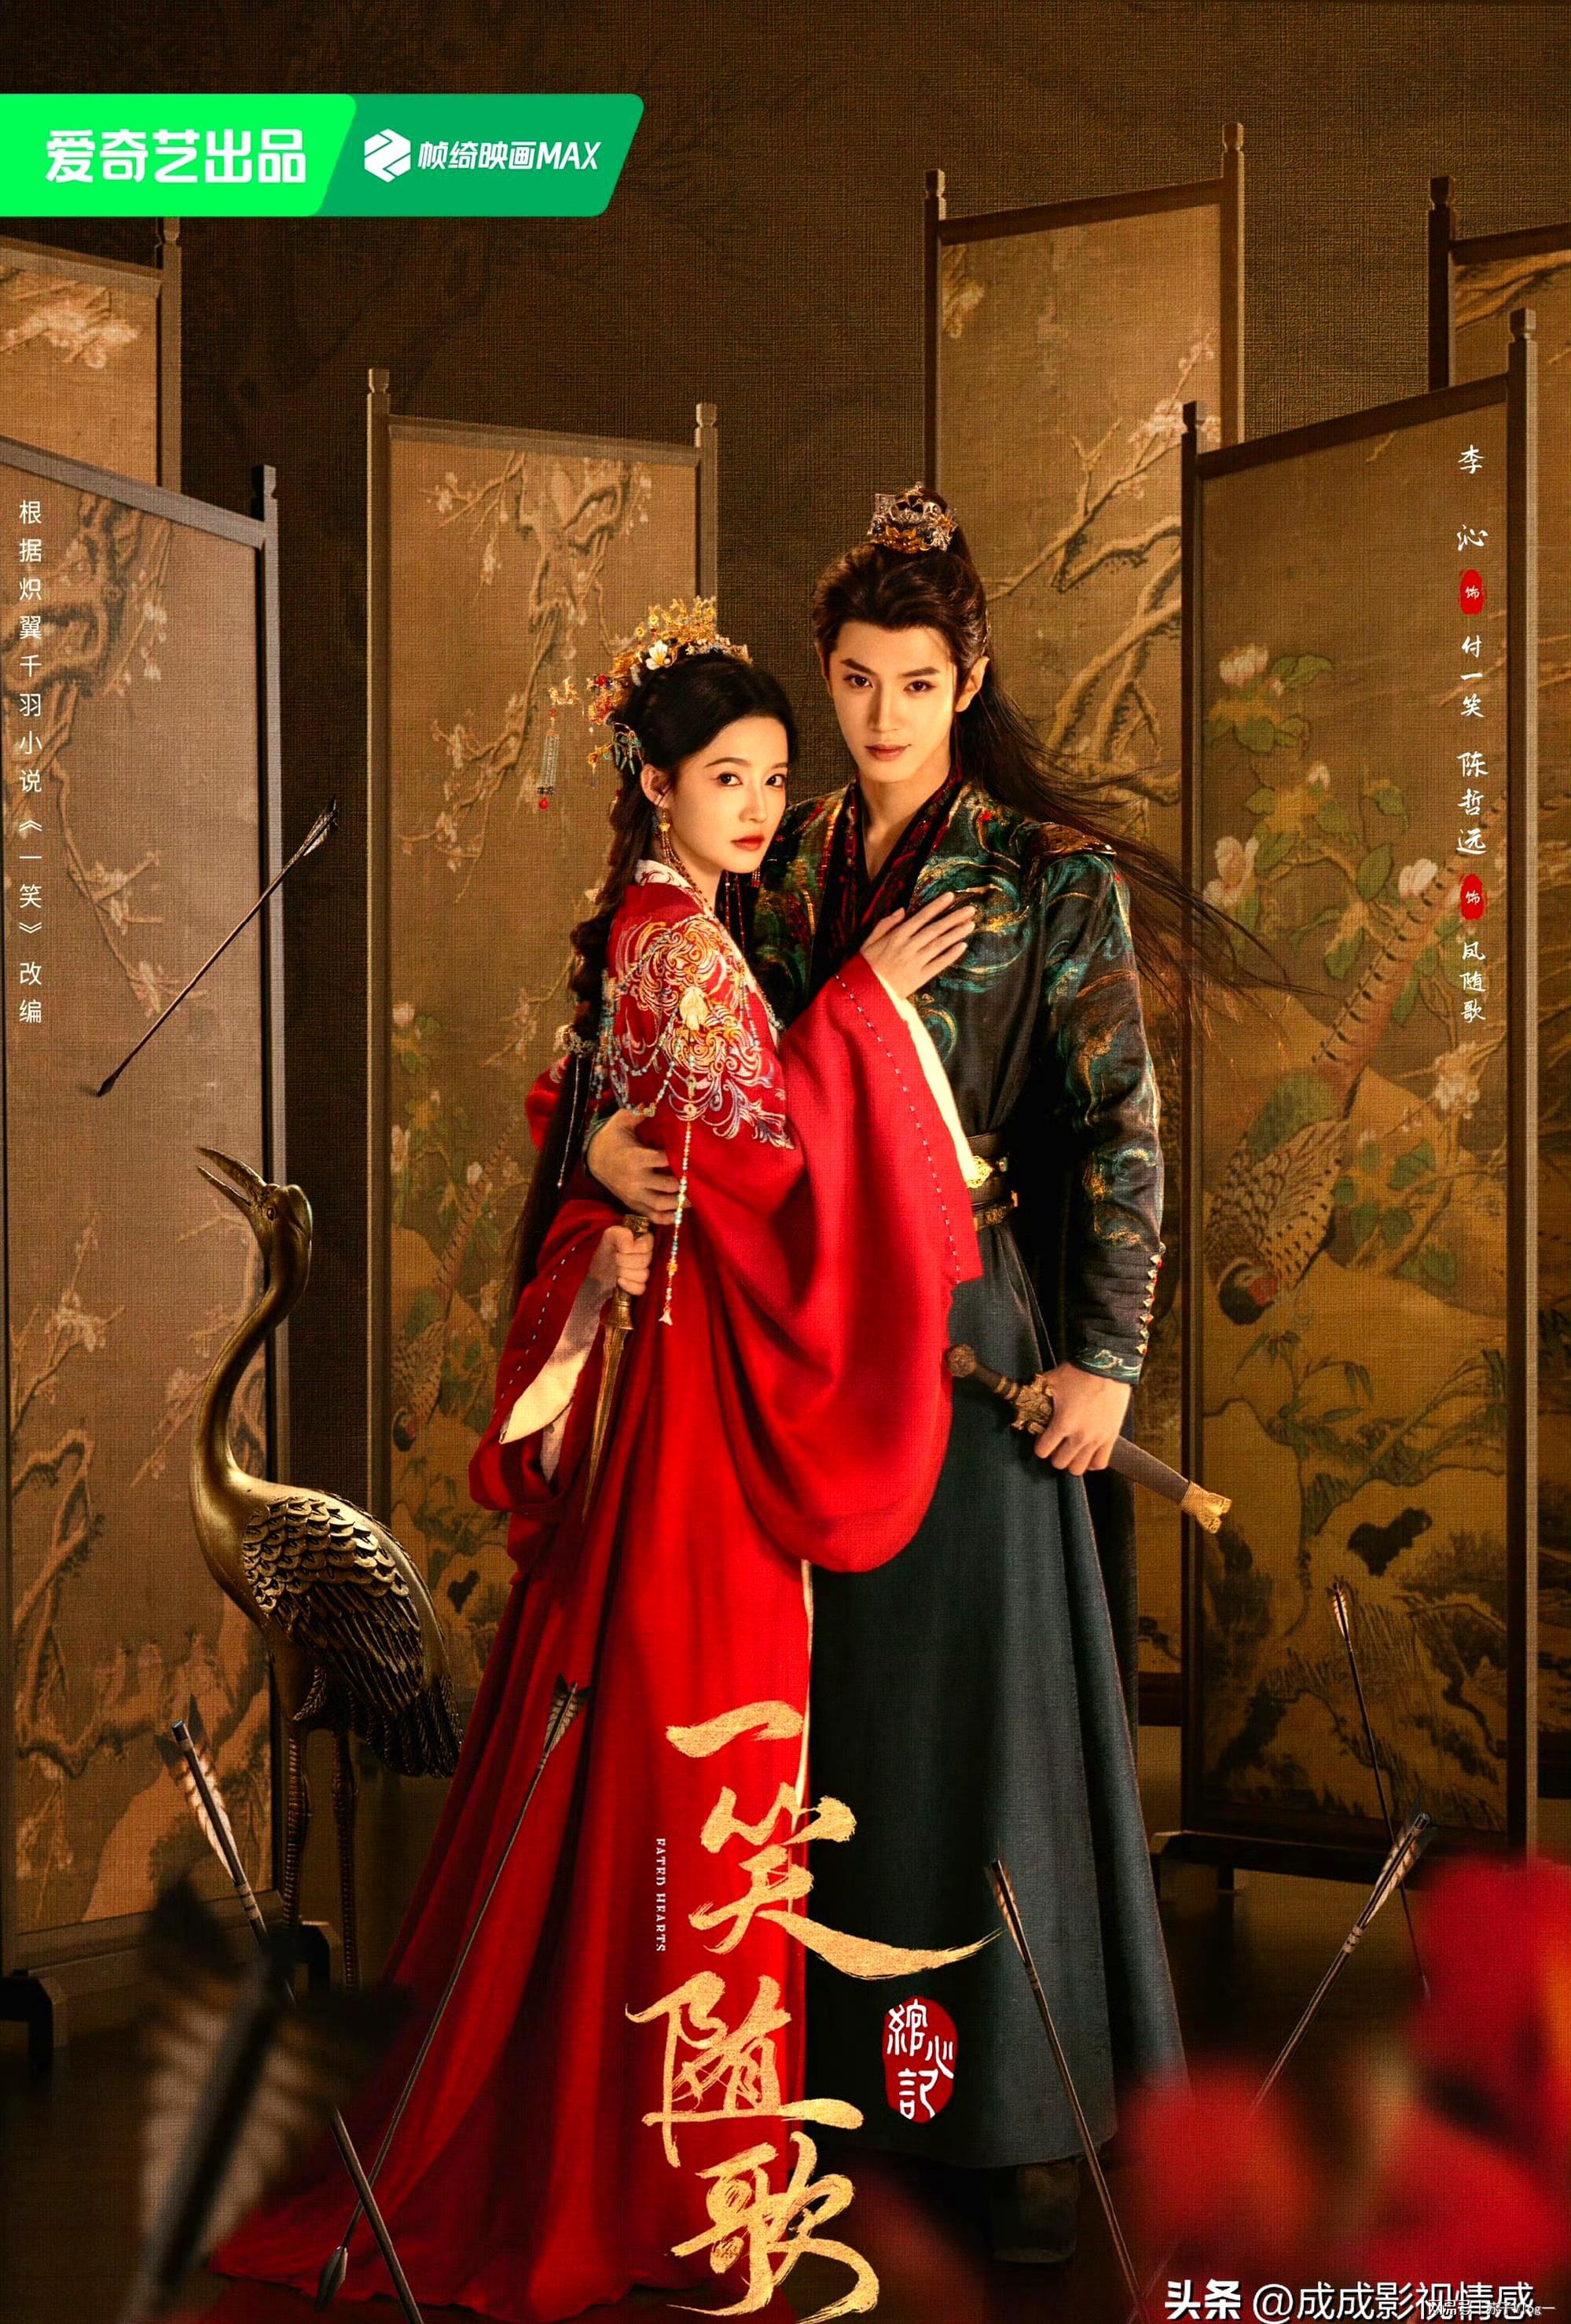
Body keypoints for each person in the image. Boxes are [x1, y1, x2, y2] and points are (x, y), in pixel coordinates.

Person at [215, 605, 986, 2322]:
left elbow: (668, 1144)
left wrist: (630, 1163)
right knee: (702, 1746)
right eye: (728, 780)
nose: (761, 808)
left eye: (773, 780)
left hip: (678, 1378)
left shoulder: (669, 940)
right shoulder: (681, 951)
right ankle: (673, 2178)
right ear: (655, 786)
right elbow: (772, 1175)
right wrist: (863, 1008)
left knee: (667, 1746)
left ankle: (650, 2147)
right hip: (694, 1406)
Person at [587, 498, 1186, 2263]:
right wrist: (612, 1147)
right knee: (844, 1724)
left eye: (916, 683)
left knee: (982, 1731)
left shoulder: (1046, 873)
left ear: (968, 679)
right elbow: (709, 1071)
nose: (881, 716)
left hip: (970, 1325)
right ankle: (847, 2095)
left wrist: (1103, 1359)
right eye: (854, 681)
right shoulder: (782, 857)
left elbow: (1119, 1125)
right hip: (805, 1333)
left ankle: (1000, 2122)